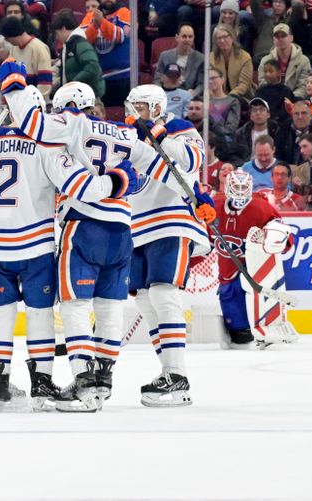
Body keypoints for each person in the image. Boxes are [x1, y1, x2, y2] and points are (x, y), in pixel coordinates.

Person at [0, 64, 137, 411]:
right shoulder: (49, 147)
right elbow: (81, 188)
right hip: (35, 247)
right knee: (39, 316)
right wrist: (118, 181)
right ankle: (41, 386)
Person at [125, 84, 213, 407]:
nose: (135, 112)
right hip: (137, 226)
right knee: (146, 299)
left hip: (172, 218)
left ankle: (177, 375)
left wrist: (158, 134)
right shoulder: (129, 135)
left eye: (142, 106)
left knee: (164, 292)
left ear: (159, 108)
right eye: (132, 106)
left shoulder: (180, 128)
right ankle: (169, 372)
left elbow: (190, 162)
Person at [211, 169, 295, 348]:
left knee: (263, 290)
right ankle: (240, 332)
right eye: (236, 187)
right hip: (228, 272)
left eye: (244, 187)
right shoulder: (214, 205)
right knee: (239, 334)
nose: (240, 192)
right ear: (227, 188)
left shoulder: (261, 207)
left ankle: (272, 326)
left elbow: (286, 238)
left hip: (256, 268)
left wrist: (278, 238)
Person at [79, 0, 131, 106]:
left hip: (123, 75)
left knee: (126, 116)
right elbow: (83, 41)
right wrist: (95, 25)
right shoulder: (90, 16)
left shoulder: (124, 12)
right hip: (101, 78)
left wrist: (100, 22)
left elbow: (120, 36)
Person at [51, 9, 104, 99]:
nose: (57, 37)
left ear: (63, 28)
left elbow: (93, 67)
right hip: (79, 95)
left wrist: (73, 84)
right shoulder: (70, 46)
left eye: (57, 33)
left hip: (86, 97)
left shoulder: (80, 44)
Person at [0, 16, 52, 100]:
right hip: (19, 102)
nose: (7, 41)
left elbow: (45, 82)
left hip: (36, 103)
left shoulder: (39, 47)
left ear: (12, 36)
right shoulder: (13, 49)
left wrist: (36, 102)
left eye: (6, 38)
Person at [156, 23, 205, 97]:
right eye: (184, 36)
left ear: (193, 38)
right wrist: (161, 93)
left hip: (190, 97)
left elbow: (202, 84)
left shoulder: (200, 58)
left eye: (190, 37)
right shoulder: (165, 56)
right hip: (168, 95)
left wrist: (194, 93)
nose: (187, 40)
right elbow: (157, 79)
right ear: (177, 37)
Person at [210, 24, 254, 99]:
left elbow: (243, 85)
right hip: (217, 97)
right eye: (219, 38)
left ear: (232, 38)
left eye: (225, 37)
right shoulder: (211, 58)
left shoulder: (245, 57)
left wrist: (227, 98)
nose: (222, 40)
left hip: (241, 97)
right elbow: (210, 82)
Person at [207, 68, 241, 145]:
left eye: (213, 78)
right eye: (207, 79)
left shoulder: (232, 101)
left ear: (222, 79)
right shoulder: (203, 101)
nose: (210, 81)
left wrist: (212, 110)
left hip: (224, 140)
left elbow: (231, 127)